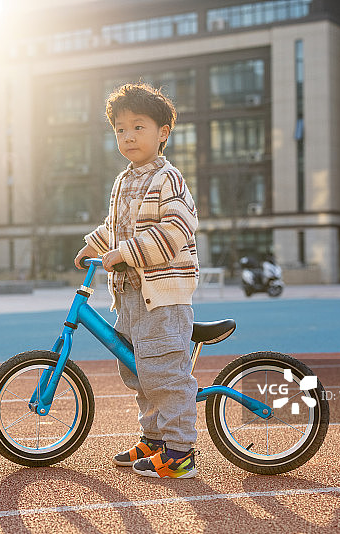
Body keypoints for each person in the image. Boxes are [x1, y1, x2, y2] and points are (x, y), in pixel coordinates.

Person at [73, 83, 200, 478]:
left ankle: (181, 452)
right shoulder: (124, 181)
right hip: (129, 295)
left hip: (161, 296)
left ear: (163, 132)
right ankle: (155, 438)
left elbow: (177, 229)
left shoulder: (169, 179)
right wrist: (93, 245)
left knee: (163, 371)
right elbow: (116, 227)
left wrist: (125, 253)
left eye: (138, 127)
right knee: (137, 370)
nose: (127, 136)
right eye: (120, 129)